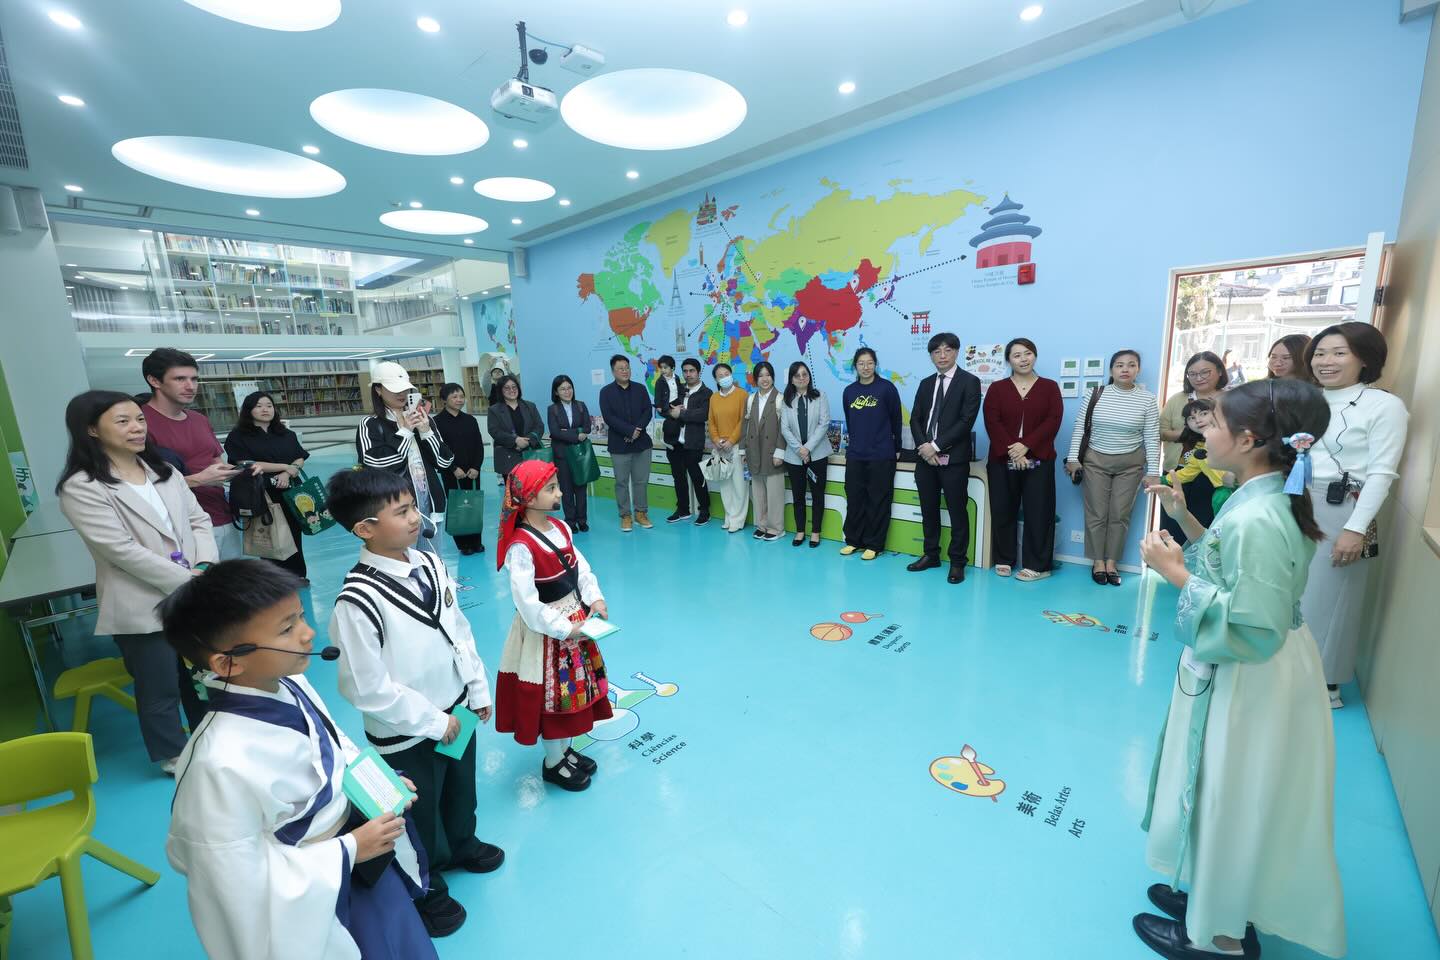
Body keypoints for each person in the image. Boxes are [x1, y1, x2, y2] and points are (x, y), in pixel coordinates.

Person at [1136, 379, 1343, 960]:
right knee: (1218, 787)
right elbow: (1229, 567)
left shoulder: (1259, 516)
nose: (1205, 430)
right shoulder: (1261, 497)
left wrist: (1176, 575)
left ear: (1249, 439)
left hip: (1251, 674)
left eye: (1215, 422)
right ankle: (1213, 896)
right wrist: (1184, 517)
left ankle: (1222, 938)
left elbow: (1252, 626)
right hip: (1254, 670)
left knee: (1232, 795)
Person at [162, 560, 436, 960]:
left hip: (361, 858)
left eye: (301, 616)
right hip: (321, 891)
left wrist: (379, 782)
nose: (308, 633)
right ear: (227, 662)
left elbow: (334, 747)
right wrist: (347, 850)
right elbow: (234, 886)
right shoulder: (216, 763)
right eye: (286, 629)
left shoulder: (292, 683)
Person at [326, 468, 501, 939]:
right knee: (416, 816)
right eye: (401, 512)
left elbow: (458, 629)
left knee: (460, 789)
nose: (414, 519)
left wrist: (476, 688)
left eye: (412, 507)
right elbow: (365, 688)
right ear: (364, 529)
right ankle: (426, 885)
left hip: (457, 709)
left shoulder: (429, 562)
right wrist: (433, 722)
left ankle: (462, 843)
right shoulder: (357, 600)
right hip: (406, 732)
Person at [57, 390, 216, 775]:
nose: (136, 428)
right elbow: (120, 550)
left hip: (192, 590)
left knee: (205, 674)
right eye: (123, 421)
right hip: (140, 601)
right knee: (159, 686)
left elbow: (199, 521)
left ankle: (212, 738)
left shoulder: (165, 472)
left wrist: (205, 565)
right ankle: (174, 756)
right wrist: (188, 580)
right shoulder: (82, 486)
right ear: (92, 430)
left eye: (139, 419)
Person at [1303, 322, 1409, 708]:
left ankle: (1326, 683)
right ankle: (1287, 673)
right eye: (1319, 353)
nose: (1326, 361)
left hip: (1341, 506)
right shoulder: (1308, 399)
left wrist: (1356, 528)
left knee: (1331, 597)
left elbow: (1382, 473)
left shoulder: (1384, 406)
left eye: (1338, 353)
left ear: (1365, 359)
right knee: (1293, 591)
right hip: (1295, 499)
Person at [494, 460, 614, 792]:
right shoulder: (521, 546)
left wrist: (595, 599)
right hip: (546, 633)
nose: (559, 493)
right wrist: (564, 629)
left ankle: (565, 750)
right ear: (529, 497)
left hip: (576, 620)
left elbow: (580, 569)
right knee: (553, 697)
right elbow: (527, 603)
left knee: (573, 692)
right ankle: (553, 761)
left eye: (557, 486)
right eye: (551, 488)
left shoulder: (561, 528)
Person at [1065, 349, 1161, 586]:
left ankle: (1111, 562)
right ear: (1111, 370)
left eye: (1131, 365)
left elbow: (1151, 436)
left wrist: (1153, 471)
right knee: (1097, 513)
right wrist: (1073, 458)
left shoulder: (1148, 399)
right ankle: (1098, 561)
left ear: (1138, 369)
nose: (1125, 369)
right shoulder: (1096, 393)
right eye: (1119, 365)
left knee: (1120, 514)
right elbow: (1080, 427)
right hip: (1096, 460)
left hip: (1131, 463)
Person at [141, 348, 242, 560]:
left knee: (231, 579)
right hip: (180, 526)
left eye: (194, 379)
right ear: (154, 381)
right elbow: (139, 488)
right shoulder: (139, 425)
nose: (190, 386)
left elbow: (215, 461)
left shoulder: (199, 419)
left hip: (222, 516)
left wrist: (238, 471)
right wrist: (199, 480)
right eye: (180, 379)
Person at [982, 337, 1062, 581]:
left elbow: (1053, 420)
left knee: (1039, 512)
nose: (1023, 359)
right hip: (1002, 459)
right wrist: (1013, 451)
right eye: (1017, 355)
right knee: (1003, 509)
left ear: (1034, 356)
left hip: (1038, 459)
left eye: (1028, 353)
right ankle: (1004, 558)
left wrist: (1026, 446)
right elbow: (992, 421)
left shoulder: (1049, 387)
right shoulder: (997, 388)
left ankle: (1038, 565)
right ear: (1009, 360)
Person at [356, 360, 455, 556]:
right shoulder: (370, 424)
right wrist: (406, 431)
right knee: (403, 562)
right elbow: (376, 463)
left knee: (432, 560)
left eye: (405, 389)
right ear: (378, 390)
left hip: (430, 503)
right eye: (395, 389)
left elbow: (445, 462)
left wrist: (426, 431)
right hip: (394, 508)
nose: (402, 394)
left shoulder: (424, 419)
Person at [908, 333, 982, 584]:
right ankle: (931, 555)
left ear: (956, 352)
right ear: (931, 355)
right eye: (936, 351)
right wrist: (924, 447)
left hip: (953, 460)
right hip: (925, 459)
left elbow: (966, 421)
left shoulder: (970, 382)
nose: (942, 356)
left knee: (957, 511)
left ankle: (958, 562)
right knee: (928, 509)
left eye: (947, 350)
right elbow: (915, 418)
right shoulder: (926, 383)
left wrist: (935, 446)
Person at [223, 391, 310, 579]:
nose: (265, 409)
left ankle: (298, 575)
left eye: (269, 406)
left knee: (294, 533)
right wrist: (285, 467)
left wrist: (288, 472)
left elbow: (300, 456)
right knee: (268, 535)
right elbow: (249, 464)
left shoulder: (286, 434)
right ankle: (275, 578)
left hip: (290, 491)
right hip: (261, 492)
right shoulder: (238, 436)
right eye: (259, 406)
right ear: (249, 410)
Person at [840, 347, 902, 560]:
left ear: (875, 364)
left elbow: (896, 420)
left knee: (878, 500)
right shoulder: (849, 391)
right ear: (855, 366)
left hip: (881, 455)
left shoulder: (887, 388)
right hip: (856, 455)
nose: (865, 367)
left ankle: (875, 544)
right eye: (861, 363)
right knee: (854, 499)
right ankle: (853, 541)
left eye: (869, 363)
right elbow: (850, 421)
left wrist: (897, 448)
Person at [1158, 399, 1233, 546]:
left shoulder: (1231, 435)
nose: (1198, 420)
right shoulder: (1198, 448)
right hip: (1220, 494)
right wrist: (1164, 480)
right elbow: (1188, 472)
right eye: (1191, 418)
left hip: (1240, 490)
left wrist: (1234, 478)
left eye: (1204, 414)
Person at [778, 361, 832, 548]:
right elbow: (785, 429)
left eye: (804, 374)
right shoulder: (787, 400)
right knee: (798, 495)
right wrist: (799, 450)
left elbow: (824, 424)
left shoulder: (820, 396)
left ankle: (815, 532)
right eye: (797, 375)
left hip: (817, 455)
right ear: (792, 380)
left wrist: (807, 448)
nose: (802, 378)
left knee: (817, 495)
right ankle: (800, 530)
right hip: (794, 457)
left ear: (809, 376)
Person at [598, 354, 654, 532]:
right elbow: (609, 417)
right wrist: (630, 431)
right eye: (621, 368)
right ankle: (625, 515)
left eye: (627, 368)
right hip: (619, 445)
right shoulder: (606, 392)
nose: (625, 371)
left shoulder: (640, 389)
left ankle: (641, 513)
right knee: (621, 482)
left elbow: (647, 411)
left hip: (641, 444)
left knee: (641, 481)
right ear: (613, 371)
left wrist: (637, 430)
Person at [433, 383, 486, 555]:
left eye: (461, 396)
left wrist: (476, 467)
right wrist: (453, 468)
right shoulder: (436, 422)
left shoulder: (470, 420)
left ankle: (476, 541)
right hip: (451, 473)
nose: (459, 400)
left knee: (473, 505)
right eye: (454, 396)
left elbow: (478, 446)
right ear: (444, 400)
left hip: (472, 473)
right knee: (458, 506)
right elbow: (438, 449)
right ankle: (463, 544)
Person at [1160, 352, 1227, 474]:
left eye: (1205, 372)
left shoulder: (1232, 399)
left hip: (1220, 471)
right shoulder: (1176, 399)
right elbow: (1160, 432)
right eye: (1192, 374)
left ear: (1220, 371)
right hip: (1177, 468)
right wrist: (1187, 433)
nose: (1198, 378)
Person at [663, 358, 712, 525]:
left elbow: (703, 414)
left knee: (697, 477)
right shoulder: (678, 390)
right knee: (678, 478)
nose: (688, 374)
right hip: (675, 442)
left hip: (693, 442)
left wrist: (681, 414)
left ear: (698, 372)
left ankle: (704, 511)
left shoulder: (706, 393)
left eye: (692, 371)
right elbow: (666, 408)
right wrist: (671, 411)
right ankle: (683, 509)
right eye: (685, 371)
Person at [741, 361, 785, 541]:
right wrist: (743, 451)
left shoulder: (781, 399)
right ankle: (762, 525)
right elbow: (745, 426)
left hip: (773, 453)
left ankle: (776, 528)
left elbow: (785, 429)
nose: (764, 379)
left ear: (773, 377)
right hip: (754, 451)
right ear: (755, 379)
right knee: (758, 493)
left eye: (768, 375)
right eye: (760, 376)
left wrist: (780, 452)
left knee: (774, 494)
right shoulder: (751, 399)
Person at [707, 362, 750, 532]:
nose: (724, 377)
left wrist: (731, 441)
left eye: (726, 374)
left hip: (737, 446)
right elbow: (711, 422)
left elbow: (743, 421)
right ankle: (729, 517)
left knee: (739, 485)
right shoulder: (714, 398)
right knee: (725, 486)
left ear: (731, 375)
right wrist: (716, 440)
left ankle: (738, 520)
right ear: (716, 380)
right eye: (720, 376)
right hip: (719, 448)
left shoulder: (742, 394)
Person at [547, 374, 592, 532]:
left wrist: (567, 432)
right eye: (563, 389)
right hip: (562, 455)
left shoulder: (580, 405)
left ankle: (582, 520)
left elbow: (587, 427)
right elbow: (555, 432)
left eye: (569, 388)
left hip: (579, 454)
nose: (567, 392)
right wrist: (576, 435)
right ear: (556, 392)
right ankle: (570, 522)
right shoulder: (552, 409)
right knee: (566, 489)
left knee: (581, 488)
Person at [486, 375, 545, 481]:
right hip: (508, 457)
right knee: (513, 490)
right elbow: (494, 431)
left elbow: (539, 426)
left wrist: (527, 441)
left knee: (532, 489)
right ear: (500, 390)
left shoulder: (530, 406)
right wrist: (515, 440)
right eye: (507, 388)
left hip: (530, 454)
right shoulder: (494, 410)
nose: (511, 390)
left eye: (514, 387)